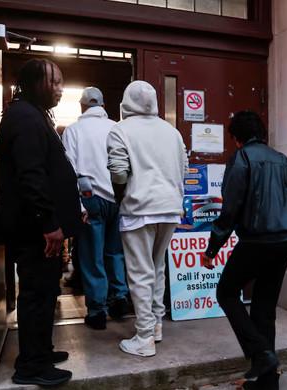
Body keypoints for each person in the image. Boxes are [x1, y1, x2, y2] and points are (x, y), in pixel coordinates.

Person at [200, 111, 287, 390]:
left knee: (225, 291)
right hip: (286, 240)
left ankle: (262, 355)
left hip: (258, 241)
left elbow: (230, 208)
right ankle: (267, 381)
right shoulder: (282, 159)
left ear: (236, 138)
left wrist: (212, 248)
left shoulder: (241, 158)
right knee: (264, 308)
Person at [0, 58, 82, 387]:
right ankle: (31, 366)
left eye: (61, 82)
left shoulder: (33, 115)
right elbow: (31, 176)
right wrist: (49, 222)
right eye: (54, 82)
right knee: (36, 295)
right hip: (36, 231)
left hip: (40, 228)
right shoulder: (25, 117)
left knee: (46, 293)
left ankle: (41, 351)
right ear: (33, 83)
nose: (59, 88)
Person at [107, 80, 188, 357]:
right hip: (170, 208)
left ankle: (143, 337)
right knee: (157, 268)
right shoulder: (172, 132)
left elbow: (118, 173)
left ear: (126, 101)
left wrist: (122, 197)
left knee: (140, 273)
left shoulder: (120, 130)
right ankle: (155, 326)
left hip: (139, 209)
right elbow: (184, 167)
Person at [62, 87, 130, 329]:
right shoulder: (118, 128)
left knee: (92, 256)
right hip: (118, 198)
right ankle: (120, 298)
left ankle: (97, 311)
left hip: (90, 198)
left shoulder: (73, 131)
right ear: (103, 105)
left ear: (82, 107)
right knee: (115, 252)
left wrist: (78, 205)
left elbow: (69, 170)